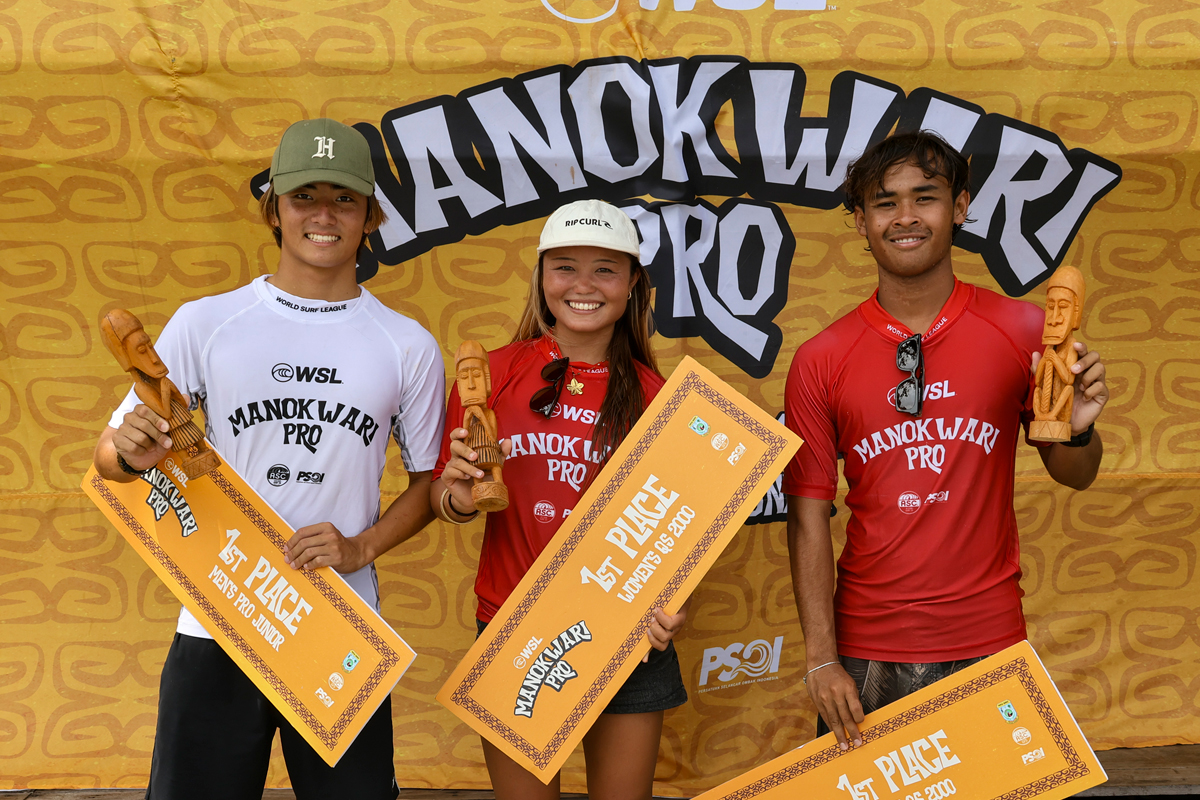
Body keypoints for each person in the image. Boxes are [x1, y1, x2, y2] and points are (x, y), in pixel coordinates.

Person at [92, 118, 445, 800]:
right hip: (219, 615)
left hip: (338, 624)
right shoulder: (206, 322)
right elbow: (108, 458)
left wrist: (362, 546)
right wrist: (130, 452)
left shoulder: (406, 344)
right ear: (273, 209)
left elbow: (431, 482)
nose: (323, 215)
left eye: (343, 199)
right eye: (303, 196)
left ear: (370, 216)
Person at [783, 131, 1108, 752]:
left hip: (989, 640)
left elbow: (1077, 473)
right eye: (885, 202)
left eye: (925, 197)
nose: (905, 217)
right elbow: (807, 518)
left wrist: (1081, 427)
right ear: (861, 221)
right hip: (865, 651)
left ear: (959, 207)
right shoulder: (821, 358)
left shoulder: (1023, 329)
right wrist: (821, 658)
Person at [431, 199, 688, 800]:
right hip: (513, 624)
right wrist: (460, 495)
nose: (583, 285)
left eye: (605, 269)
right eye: (565, 267)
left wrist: (674, 601)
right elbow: (444, 495)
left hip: (625, 633)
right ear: (541, 276)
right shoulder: (490, 375)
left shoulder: (662, 398)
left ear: (633, 283)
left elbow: (682, 524)